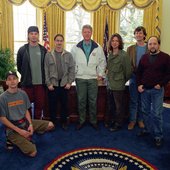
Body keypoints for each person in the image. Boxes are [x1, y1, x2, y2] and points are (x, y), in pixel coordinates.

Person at [0, 71, 54, 157]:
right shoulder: (2, 98)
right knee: (33, 153)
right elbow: (2, 118)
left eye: (14, 78)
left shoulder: (23, 93)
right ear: (6, 82)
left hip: (24, 122)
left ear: (18, 80)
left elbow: (26, 111)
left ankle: (29, 133)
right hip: (13, 127)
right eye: (9, 79)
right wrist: (20, 131)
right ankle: (10, 139)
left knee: (51, 125)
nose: (12, 81)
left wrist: (31, 125)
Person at [136, 36, 170, 147]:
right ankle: (146, 129)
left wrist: (161, 84)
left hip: (157, 90)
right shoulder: (144, 57)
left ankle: (158, 136)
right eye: (150, 44)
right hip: (145, 90)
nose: (152, 46)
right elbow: (139, 72)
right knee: (145, 111)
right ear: (148, 45)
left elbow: (168, 74)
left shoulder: (166, 57)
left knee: (157, 114)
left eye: (154, 44)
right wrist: (139, 84)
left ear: (158, 44)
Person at [71, 24, 106, 130]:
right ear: (82, 33)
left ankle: (93, 121)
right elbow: (71, 63)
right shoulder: (76, 47)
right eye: (85, 32)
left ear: (91, 33)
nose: (87, 33)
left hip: (92, 78)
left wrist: (100, 74)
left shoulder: (97, 47)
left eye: (88, 32)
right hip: (80, 78)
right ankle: (81, 121)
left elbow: (102, 62)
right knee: (81, 100)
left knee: (93, 100)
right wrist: (74, 74)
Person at [44, 34, 75, 130]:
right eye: (57, 40)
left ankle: (64, 122)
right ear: (54, 42)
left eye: (61, 40)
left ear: (63, 42)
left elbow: (72, 70)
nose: (59, 42)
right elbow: (46, 70)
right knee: (52, 105)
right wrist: (48, 83)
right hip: (53, 85)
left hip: (64, 84)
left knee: (64, 105)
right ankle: (52, 123)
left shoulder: (68, 55)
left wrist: (69, 82)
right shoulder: (48, 55)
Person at [17, 26, 47, 119]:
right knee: (27, 106)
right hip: (27, 83)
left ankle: (37, 123)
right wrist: (27, 75)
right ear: (28, 35)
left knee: (39, 105)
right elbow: (19, 67)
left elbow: (46, 66)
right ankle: (29, 124)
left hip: (40, 83)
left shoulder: (43, 50)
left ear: (38, 35)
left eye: (35, 34)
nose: (34, 36)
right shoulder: (22, 50)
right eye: (31, 34)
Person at [107, 33, 132, 131]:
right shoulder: (110, 54)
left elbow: (128, 72)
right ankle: (113, 120)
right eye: (113, 41)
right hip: (110, 84)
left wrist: (122, 80)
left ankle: (118, 123)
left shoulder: (123, 55)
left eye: (117, 41)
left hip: (119, 85)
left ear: (120, 42)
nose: (114, 43)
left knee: (119, 106)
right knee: (111, 105)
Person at [127, 26, 147, 130]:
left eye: (140, 33)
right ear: (134, 35)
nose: (138, 35)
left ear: (144, 35)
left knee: (142, 101)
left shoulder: (149, 47)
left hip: (145, 78)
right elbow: (127, 64)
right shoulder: (130, 49)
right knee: (133, 100)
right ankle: (132, 121)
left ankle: (140, 120)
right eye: (136, 33)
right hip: (134, 77)